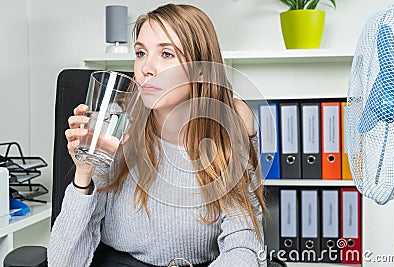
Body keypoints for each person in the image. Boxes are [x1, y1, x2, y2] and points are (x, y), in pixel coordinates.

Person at [48, 3, 266, 267]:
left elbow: (243, 245)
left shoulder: (227, 129)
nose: (146, 68)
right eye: (140, 53)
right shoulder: (115, 123)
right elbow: (62, 262)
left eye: (166, 54)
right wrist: (83, 175)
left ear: (200, 70)